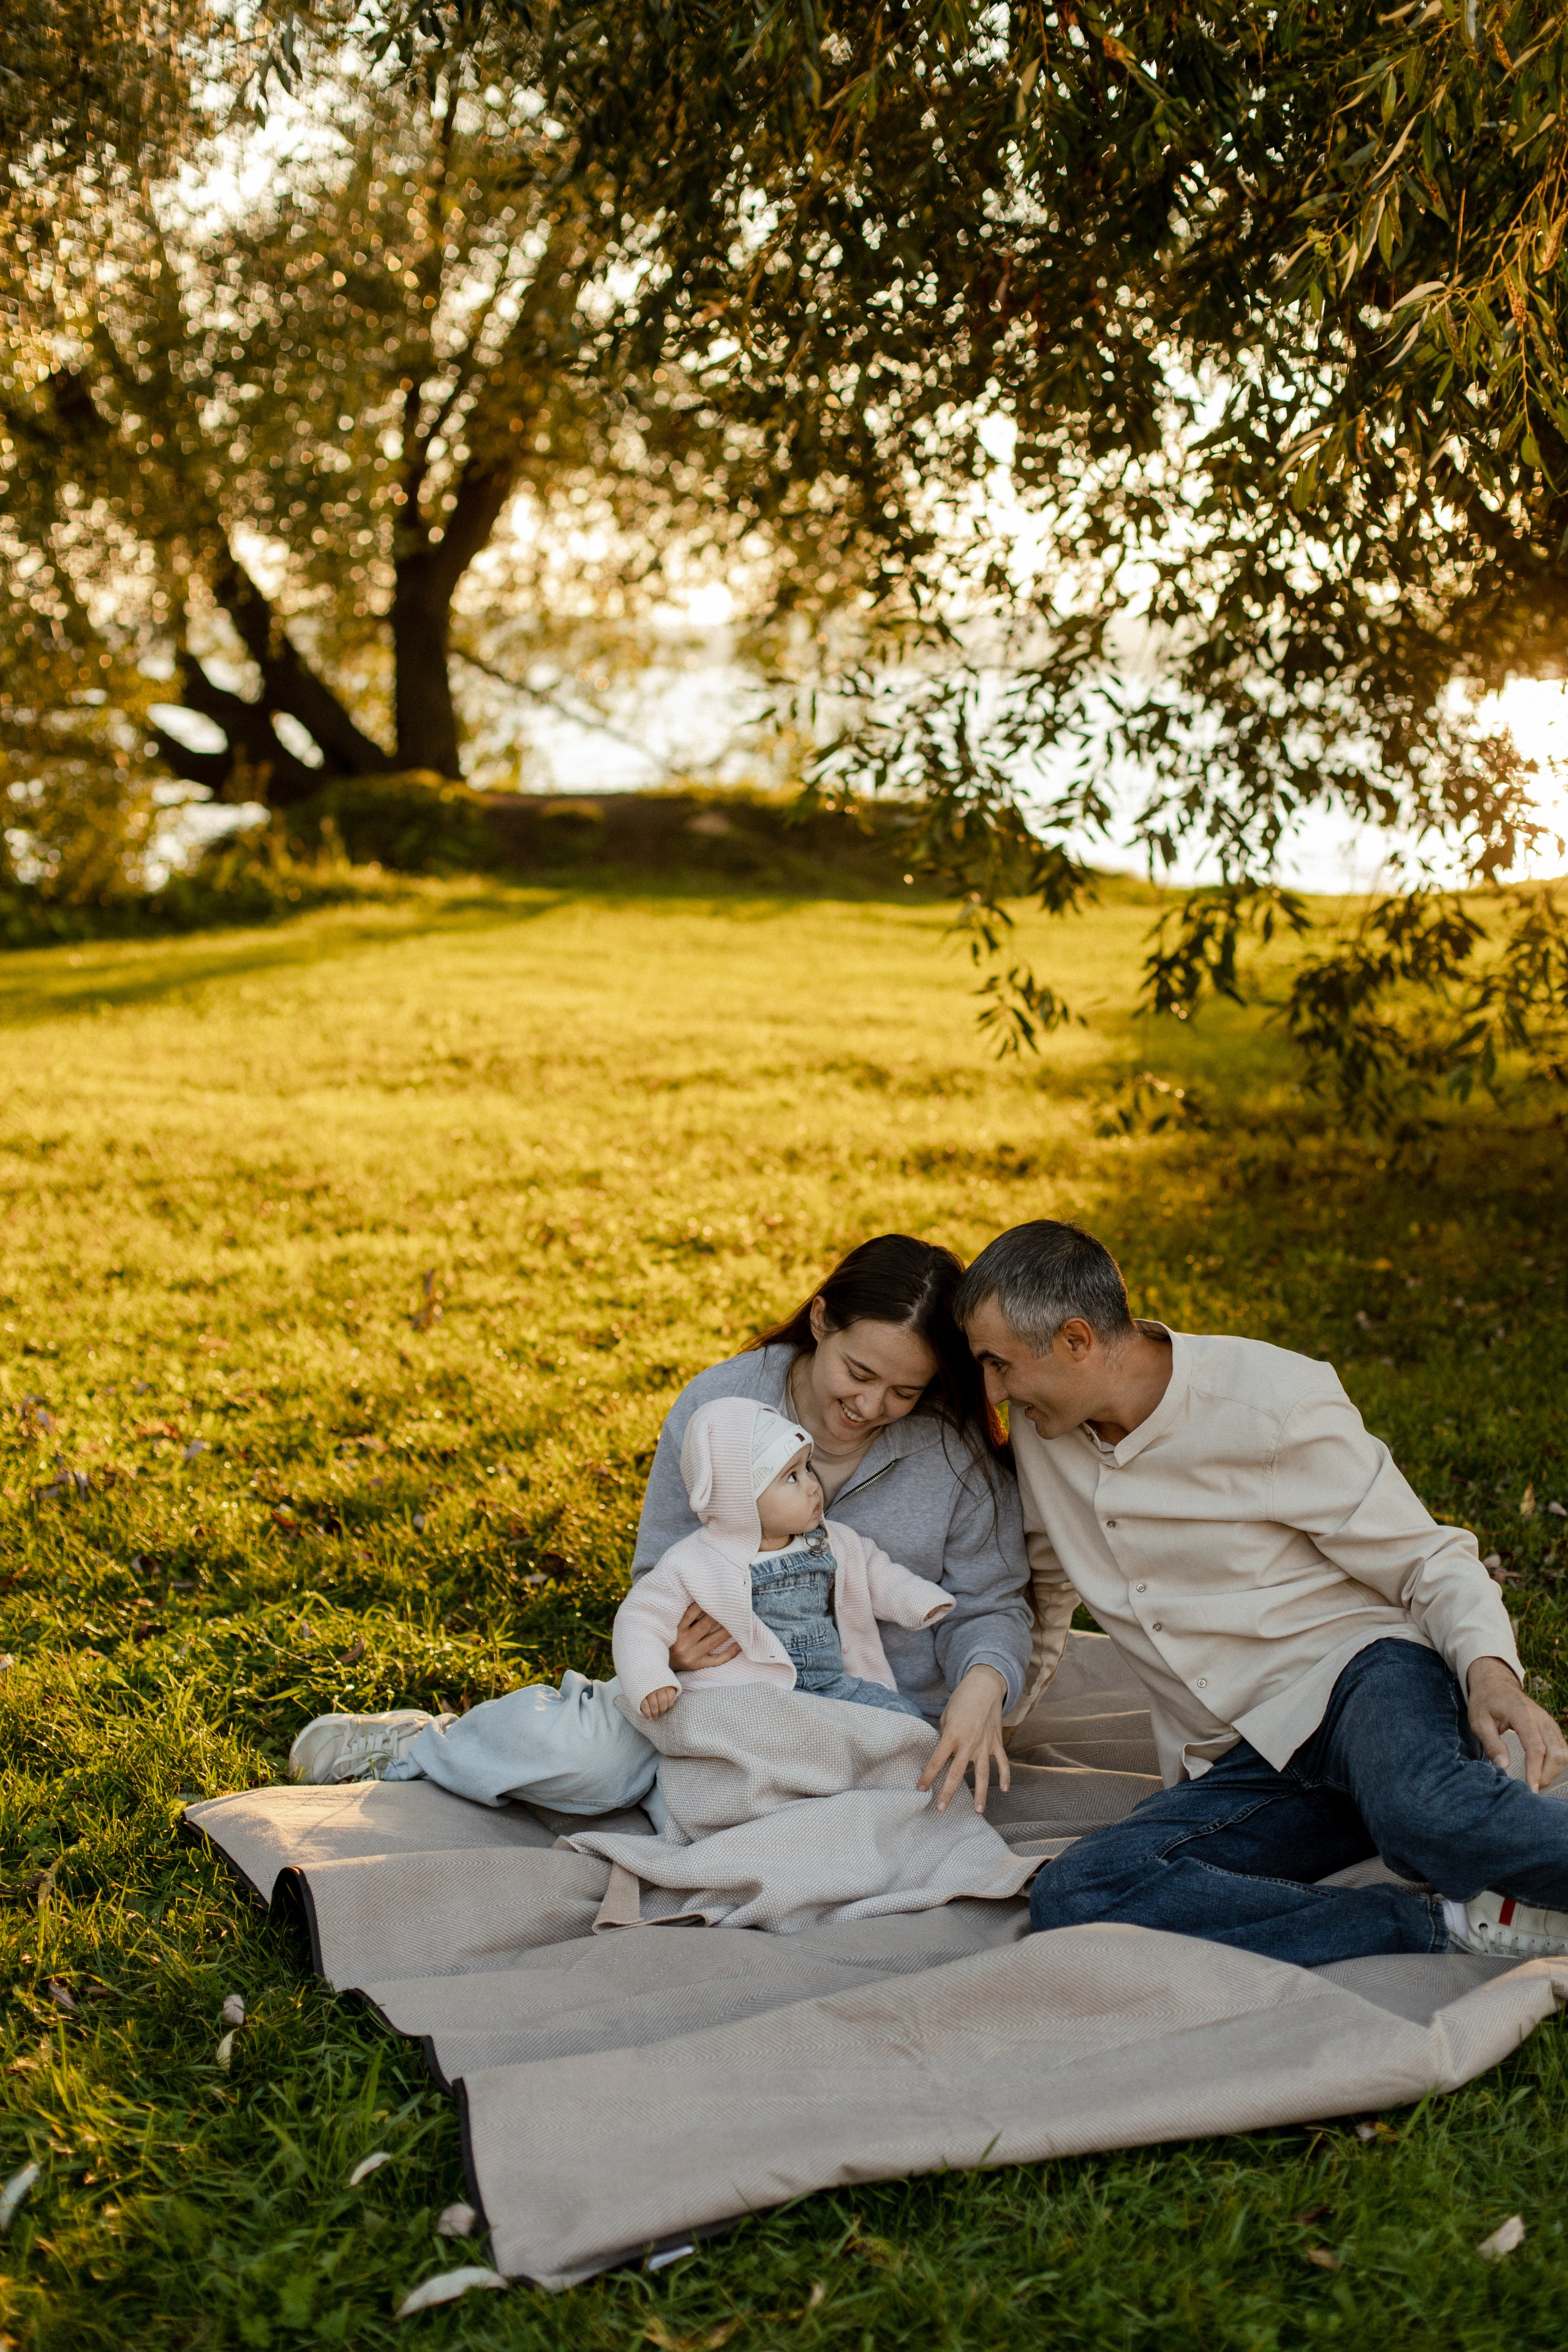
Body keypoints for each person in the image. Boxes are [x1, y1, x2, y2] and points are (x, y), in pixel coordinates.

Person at [953, 1217, 1568, 1966]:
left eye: (999, 1364)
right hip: (1243, 1763)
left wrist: (1488, 1672)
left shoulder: (1271, 1400)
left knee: (1424, 1815)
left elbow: (1424, 1557)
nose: (990, 1390)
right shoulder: (1043, 1435)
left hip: (1358, 1683)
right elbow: (1046, 1595)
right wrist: (995, 1717)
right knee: (1080, 1893)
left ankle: (1424, 1811)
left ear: (1076, 1340)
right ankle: (1447, 1927)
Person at [290, 1234, 1036, 1817]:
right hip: (715, 1693)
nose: (870, 1408)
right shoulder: (722, 1406)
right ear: (819, 1322)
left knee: (894, 1816)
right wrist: (675, 1647)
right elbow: (660, 1572)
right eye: (859, 1374)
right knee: (597, 1769)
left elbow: (992, 1603)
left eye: (904, 1390)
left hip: (867, 1722)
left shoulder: (951, 1455)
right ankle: (426, 1746)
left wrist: (981, 1688)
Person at [618, 1396, 948, 1723]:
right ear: (741, 1499)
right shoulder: (694, 1561)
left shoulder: (828, 1540)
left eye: (807, 1468)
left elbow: (875, 1571)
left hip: (830, 1685)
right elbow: (641, 1618)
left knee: (902, 1719)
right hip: (748, 1699)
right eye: (792, 1477)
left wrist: (917, 1599)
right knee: (727, 1733)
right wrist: (650, 1677)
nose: (813, 1486)